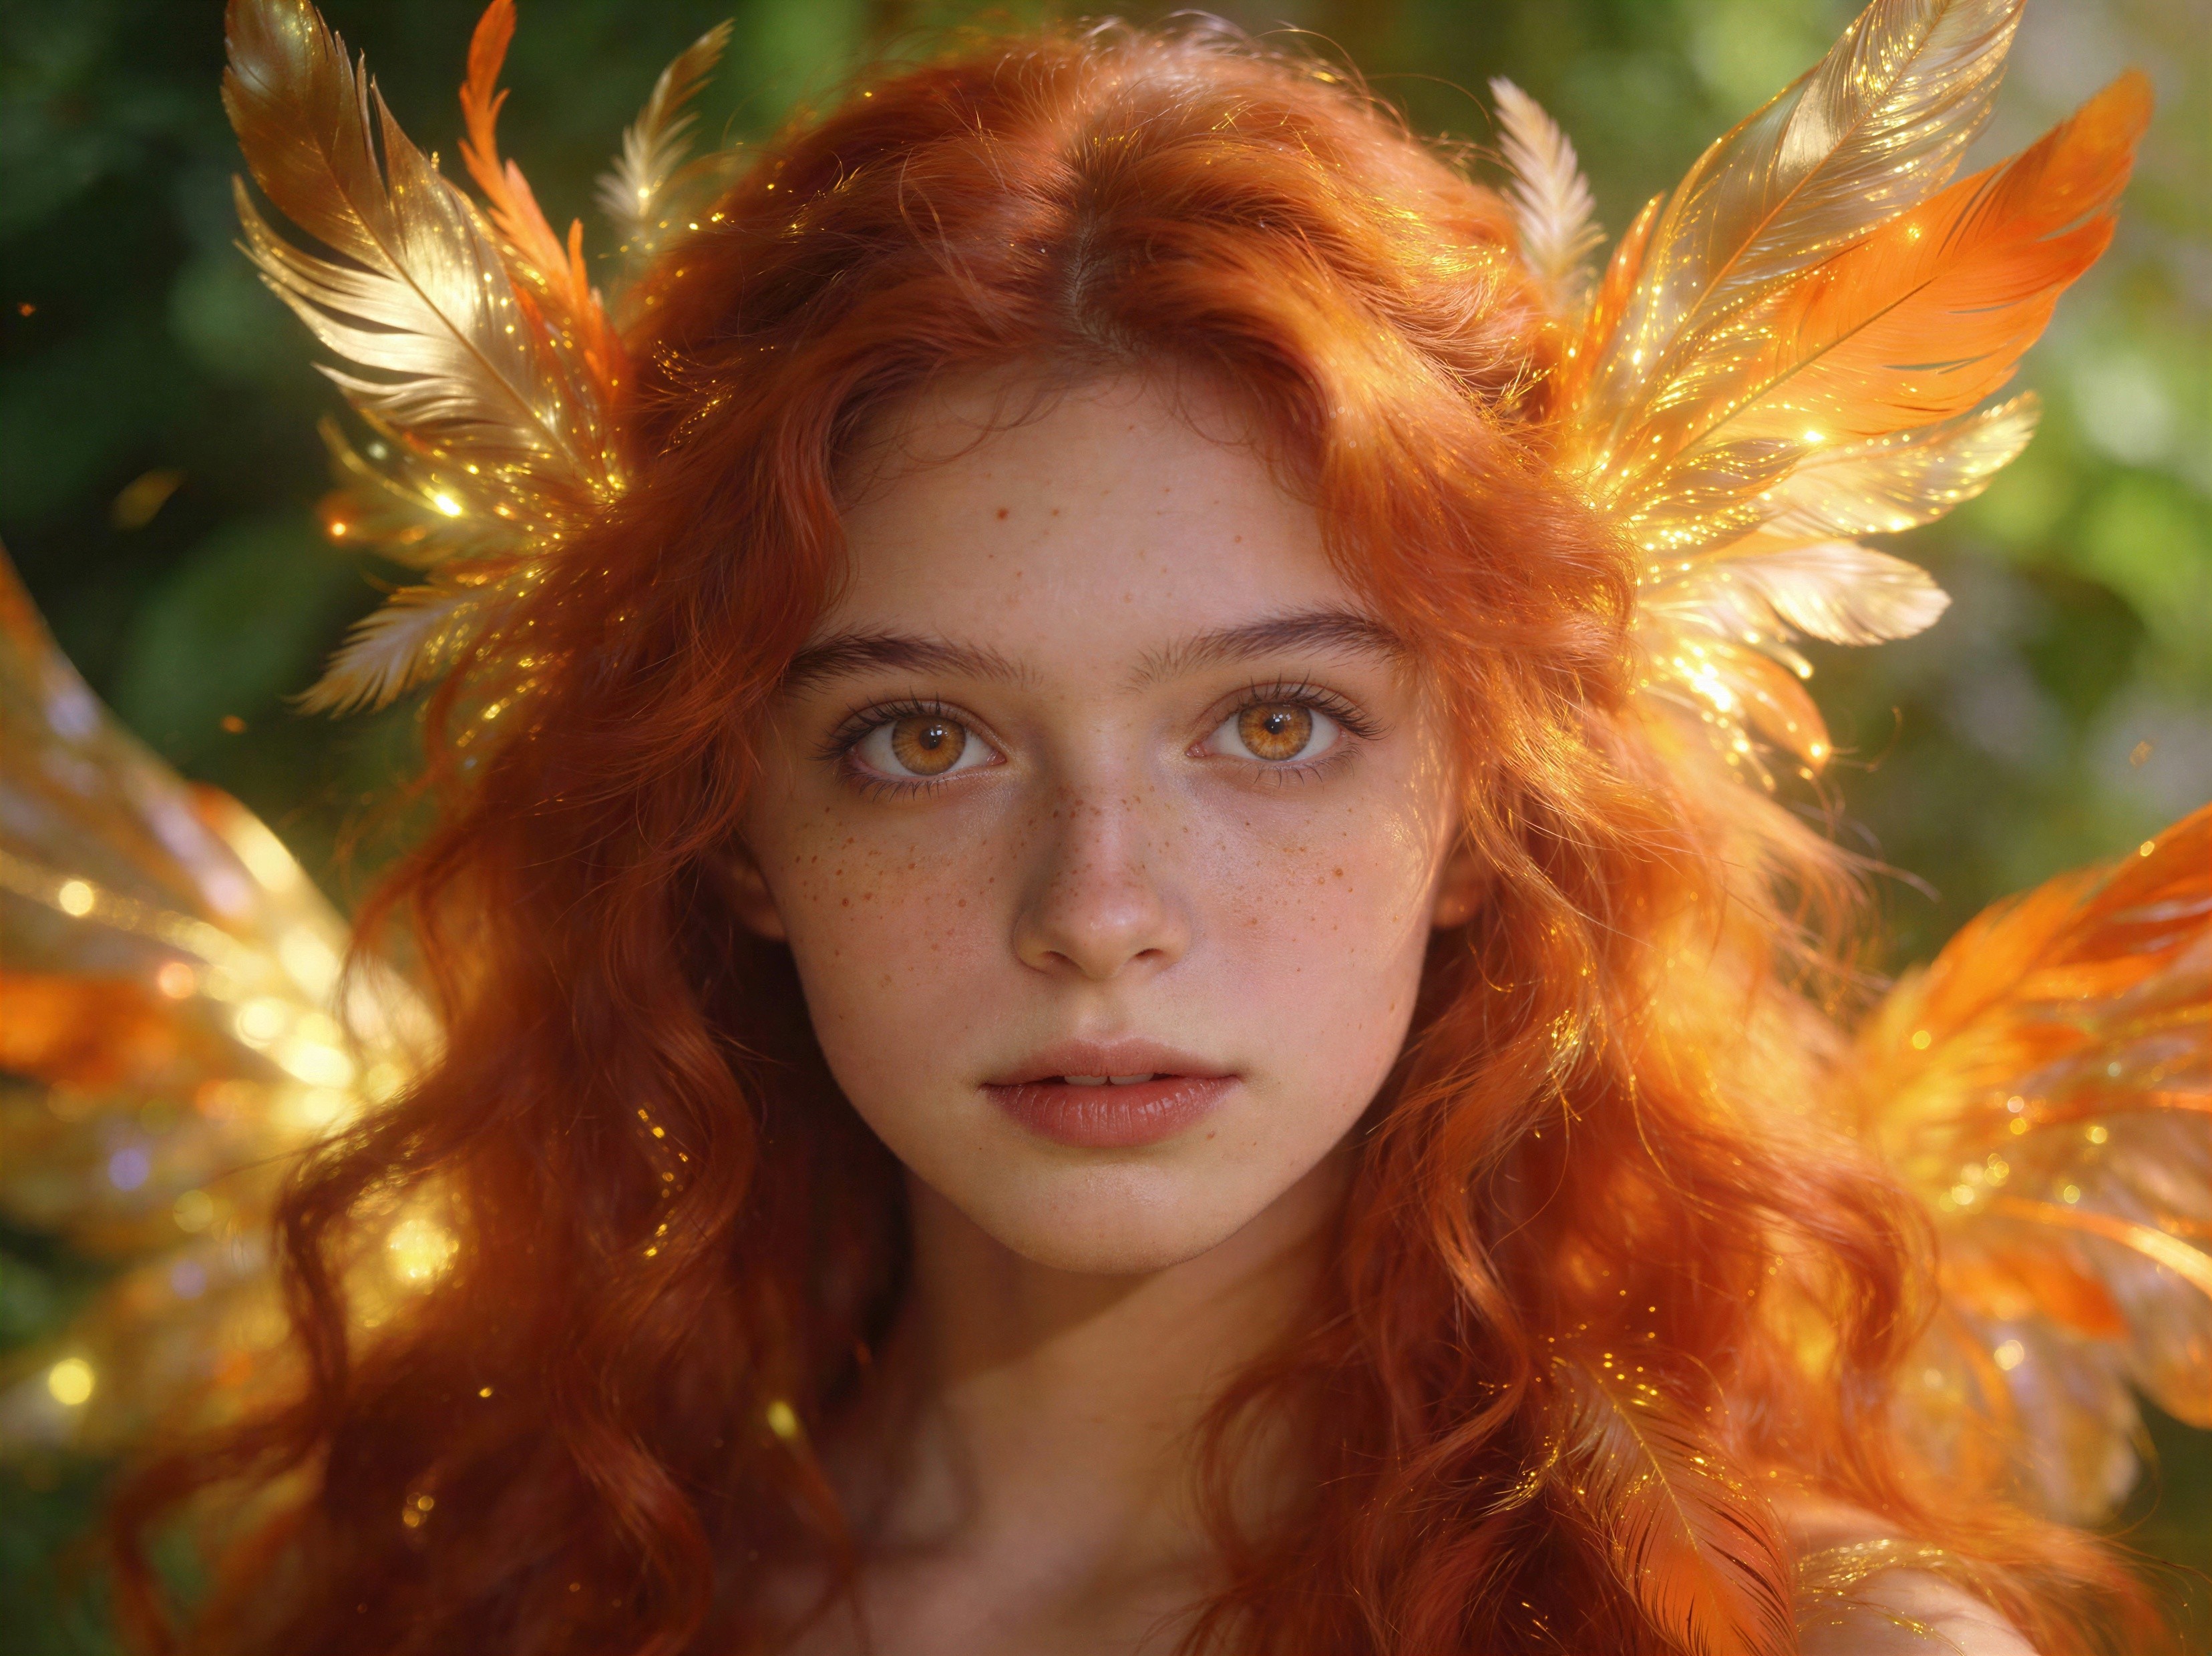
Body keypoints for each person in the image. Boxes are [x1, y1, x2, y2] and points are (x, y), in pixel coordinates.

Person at [8, 0, 2179, 1650]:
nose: (1101, 913)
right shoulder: (491, 1585)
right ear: (732, 826)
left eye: (1277, 722)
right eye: (920, 743)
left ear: (1486, 802)